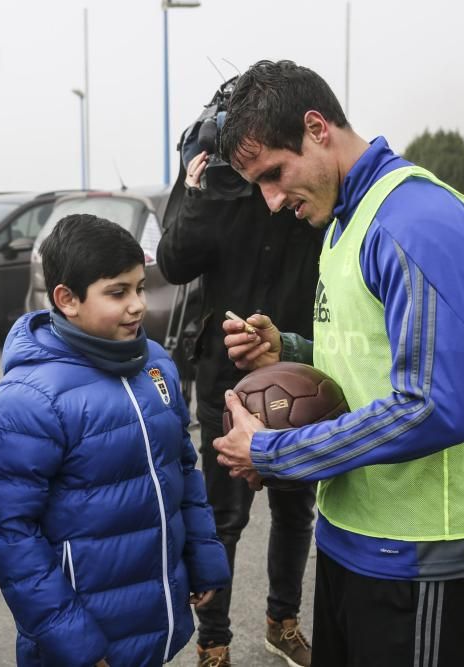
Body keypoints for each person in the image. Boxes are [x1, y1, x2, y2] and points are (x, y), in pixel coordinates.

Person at [213, 60, 464, 667]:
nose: (269, 201)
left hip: (417, 558)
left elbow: (432, 407)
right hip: (349, 541)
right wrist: (287, 352)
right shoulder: (344, 222)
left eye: (273, 174)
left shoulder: (416, 220)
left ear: (317, 128)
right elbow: (371, 364)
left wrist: (273, 452)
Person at [0, 214, 231, 666]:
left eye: (139, 287)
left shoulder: (156, 363)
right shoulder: (31, 398)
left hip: (151, 616)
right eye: (118, 292)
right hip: (82, 639)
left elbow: (181, 466)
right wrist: (72, 640)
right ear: (67, 299)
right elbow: (8, 531)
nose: (137, 305)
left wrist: (202, 555)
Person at [157, 100, 324, 666]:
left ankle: (283, 622)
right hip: (226, 374)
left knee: (297, 506)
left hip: (300, 367)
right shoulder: (215, 177)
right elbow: (174, 261)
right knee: (223, 517)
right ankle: (214, 642)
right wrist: (198, 193)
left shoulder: (298, 178)